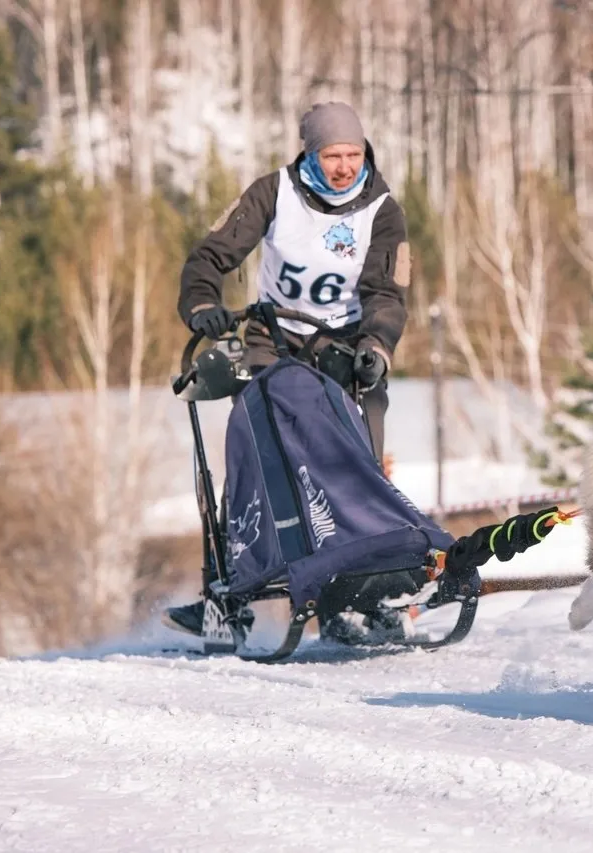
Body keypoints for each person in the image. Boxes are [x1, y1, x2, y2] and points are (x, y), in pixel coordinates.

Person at [164, 101, 411, 639]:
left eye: (352, 153)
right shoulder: (272, 192)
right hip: (272, 341)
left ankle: (364, 594)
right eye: (331, 155)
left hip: (347, 347)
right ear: (310, 153)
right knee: (255, 453)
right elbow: (210, 256)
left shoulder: (381, 211)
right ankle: (226, 597)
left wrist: (377, 345)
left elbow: (387, 293)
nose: (344, 165)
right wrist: (203, 305)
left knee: (359, 458)